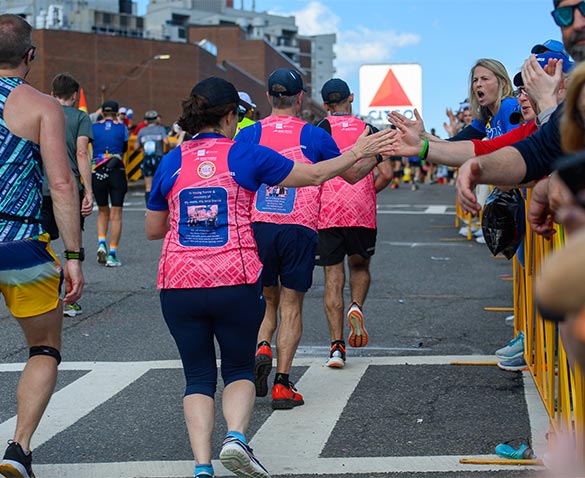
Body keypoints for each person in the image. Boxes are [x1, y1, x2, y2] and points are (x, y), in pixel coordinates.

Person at [145, 76, 391, 478]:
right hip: (234, 276)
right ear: (229, 116)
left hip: (178, 282)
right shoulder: (244, 155)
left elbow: (155, 228)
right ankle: (237, 438)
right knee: (239, 369)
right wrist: (362, 150)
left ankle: (202, 466)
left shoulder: (173, 160)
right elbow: (314, 176)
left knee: (198, 376)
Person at [236, 68, 386, 409]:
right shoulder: (314, 135)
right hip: (299, 227)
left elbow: (239, 182)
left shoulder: (249, 135)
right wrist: (377, 153)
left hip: (259, 225)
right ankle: (283, 385)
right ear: (300, 98)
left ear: (269, 98)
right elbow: (351, 175)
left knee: (267, 301)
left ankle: (262, 346)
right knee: (291, 304)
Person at [0, 14, 84, 478]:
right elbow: (61, 183)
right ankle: (18, 449)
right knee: (44, 349)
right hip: (20, 244)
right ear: (30, 57)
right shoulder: (41, 106)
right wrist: (73, 255)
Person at [315, 78, 393, 368]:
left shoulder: (319, 131)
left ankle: (336, 348)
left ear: (325, 105)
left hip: (328, 212)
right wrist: (366, 192)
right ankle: (356, 306)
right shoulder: (368, 130)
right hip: (361, 210)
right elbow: (385, 174)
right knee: (360, 266)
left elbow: (313, 173)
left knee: (332, 280)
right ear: (351, 98)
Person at [41, 73, 93, 318]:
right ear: (74, 95)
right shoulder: (81, 117)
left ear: (52, 94)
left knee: (44, 244)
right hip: (71, 187)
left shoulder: (43, 114)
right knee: (73, 246)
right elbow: (82, 153)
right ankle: (70, 300)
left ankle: (47, 295)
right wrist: (88, 191)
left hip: (42, 186)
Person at [91, 100, 128, 267]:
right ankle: (112, 254)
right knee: (116, 214)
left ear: (102, 112)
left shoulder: (94, 127)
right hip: (116, 171)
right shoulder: (122, 127)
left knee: (102, 211)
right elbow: (125, 147)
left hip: (98, 170)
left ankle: (101, 243)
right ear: (116, 112)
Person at [134, 109, 169, 205]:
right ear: (156, 119)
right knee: (160, 183)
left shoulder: (142, 131)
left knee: (148, 186)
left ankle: (149, 207)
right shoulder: (161, 129)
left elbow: (136, 147)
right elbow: (166, 142)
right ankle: (161, 205)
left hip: (147, 159)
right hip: (159, 158)